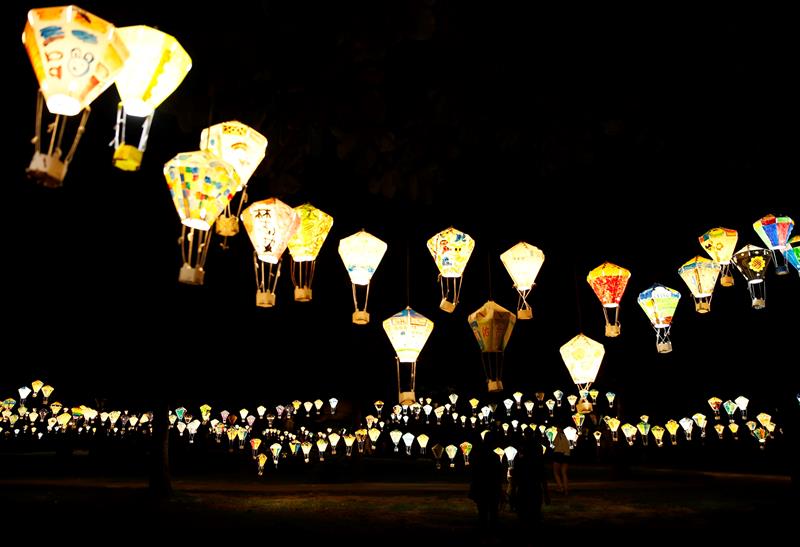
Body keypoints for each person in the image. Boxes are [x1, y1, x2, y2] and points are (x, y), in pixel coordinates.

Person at [509, 439, 550, 529]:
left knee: (524, 517)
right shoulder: (538, 462)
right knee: (534, 516)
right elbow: (543, 479)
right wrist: (546, 494)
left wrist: (512, 493)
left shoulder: (521, 462)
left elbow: (514, 479)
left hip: (524, 491)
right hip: (534, 491)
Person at [468, 433, 505, 531]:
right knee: (492, 512)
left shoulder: (477, 455)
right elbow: (498, 474)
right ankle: (491, 531)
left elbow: (473, 471)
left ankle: (484, 530)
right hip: (491, 488)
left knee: (483, 512)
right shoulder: (494, 457)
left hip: (481, 487)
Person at [552, 427, 571, 495]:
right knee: (564, 472)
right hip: (566, 454)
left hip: (558, 454)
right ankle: (566, 490)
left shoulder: (557, 435)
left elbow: (554, 444)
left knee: (555, 472)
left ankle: (560, 487)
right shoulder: (569, 435)